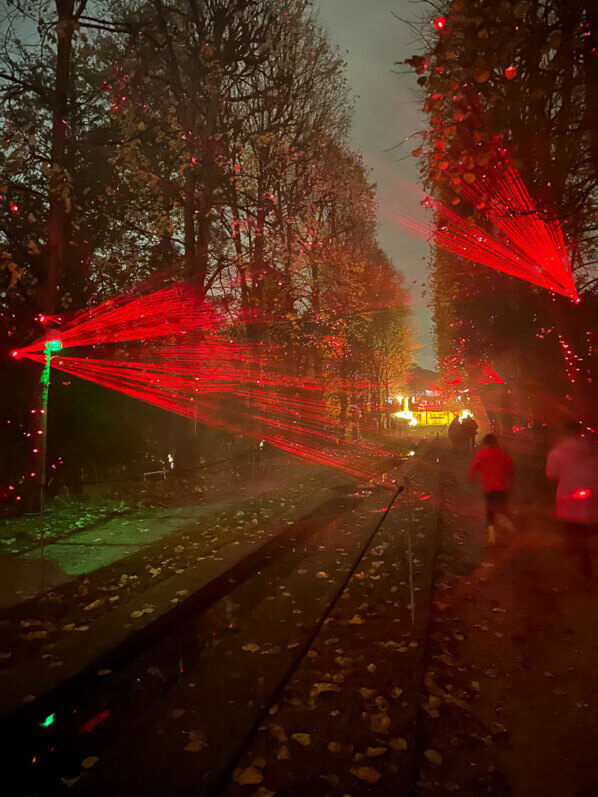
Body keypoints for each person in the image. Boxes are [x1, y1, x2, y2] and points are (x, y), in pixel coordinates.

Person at [546, 421, 598, 581]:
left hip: (568, 497)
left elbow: (551, 474)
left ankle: (574, 565)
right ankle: (585, 565)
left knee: (570, 530)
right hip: (590, 496)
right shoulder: (591, 450)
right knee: (585, 530)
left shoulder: (558, 451)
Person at [468, 433, 515, 546]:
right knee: (502, 509)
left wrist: (471, 478)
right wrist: (510, 480)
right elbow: (510, 468)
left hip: (488, 488)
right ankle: (510, 528)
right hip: (502, 487)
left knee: (490, 511)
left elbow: (473, 468)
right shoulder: (502, 454)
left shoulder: (481, 454)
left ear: (485, 443)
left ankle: (492, 536)